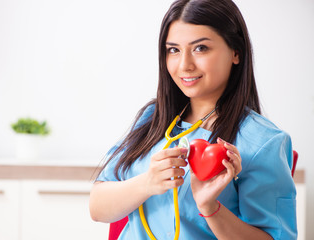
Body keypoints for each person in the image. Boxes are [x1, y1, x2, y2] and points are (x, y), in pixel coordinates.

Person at [89, 0, 297, 239]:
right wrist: (148, 182)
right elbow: (97, 207)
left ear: (235, 52)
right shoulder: (153, 119)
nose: (184, 65)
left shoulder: (263, 141)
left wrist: (211, 209)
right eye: (174, 50)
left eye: (200, 48)